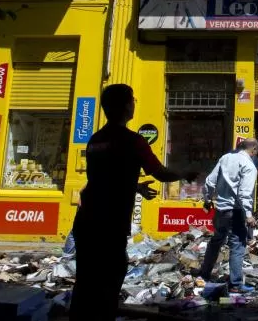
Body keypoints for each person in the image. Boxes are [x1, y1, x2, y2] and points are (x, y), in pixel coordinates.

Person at [69, 84, 198, 321]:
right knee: (110, 279)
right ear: (126, 106)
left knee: (86, 280)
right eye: (132, 100)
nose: (135, 103)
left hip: (87, 220)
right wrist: (185, 173)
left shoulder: (95, 140)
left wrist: (136, 187)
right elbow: (160, 172)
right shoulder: (133, 141)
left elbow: (102, 179)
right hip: (110, 223)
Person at [199, 138, 258, 294]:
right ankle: (235, 284)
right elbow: (244, 193)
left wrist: (207, 199)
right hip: (237, 211)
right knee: (238, 246)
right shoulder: (249, 166)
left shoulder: (225, 158)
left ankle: (204, 275)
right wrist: (248, 214)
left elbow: (209, 181)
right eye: (255, 153)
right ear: (253, 150)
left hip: (221, 209)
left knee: (216, 241)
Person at [237, 139, 258, 209]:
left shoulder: (227, 157)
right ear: (253, 149)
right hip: (246, 198)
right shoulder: (253, 158)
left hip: (228, 201)